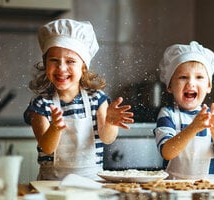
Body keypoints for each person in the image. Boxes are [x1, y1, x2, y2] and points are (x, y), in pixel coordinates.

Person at [24, 19, 134, 180]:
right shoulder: (41, 105)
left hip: (92, 182)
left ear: (83, 67)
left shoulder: (97, 99)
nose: (61, 68)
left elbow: (107, 138)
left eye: (70, 61)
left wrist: (110, 123)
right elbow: (47, 148)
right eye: (54, 60)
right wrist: (54, 128)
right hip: (52, 183)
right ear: (45, 63)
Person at [154, 41, 214, 180]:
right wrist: (193, 128)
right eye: (183, 77)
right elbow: (167, 152)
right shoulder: (168, 114)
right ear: (170, 85)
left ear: (208, 86)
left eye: (199, 77)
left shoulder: (212, 117)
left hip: (207, 189)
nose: (191, 83)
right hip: (173, 189)